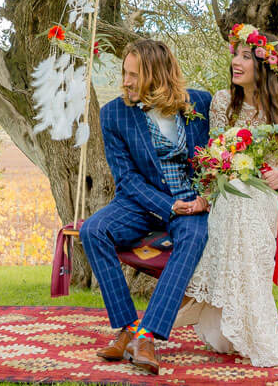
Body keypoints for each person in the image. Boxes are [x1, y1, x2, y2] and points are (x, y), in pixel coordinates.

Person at [181, 23, 278, 367]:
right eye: (234, 54)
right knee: (237, 197)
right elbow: (215, 161)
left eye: (245, 56)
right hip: (234, 194)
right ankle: (232, 324)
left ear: (265, 66)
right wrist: (216, 180)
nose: (235, 61)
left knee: (242, 200)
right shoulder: (223, 103)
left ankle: (254, 327)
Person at [80, 39, 211, 375]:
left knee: (194, 238)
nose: (126, 81)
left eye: (133, 75)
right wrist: (170, 206)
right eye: (125, 73)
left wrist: (201, 199)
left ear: (159, 75)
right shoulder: (113, 114)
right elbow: (127, 180)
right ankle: (126, 327)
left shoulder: (200, 103)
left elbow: (216, 159)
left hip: (192, 199)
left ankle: (148, 334)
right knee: (93, 230)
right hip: (140, 202)